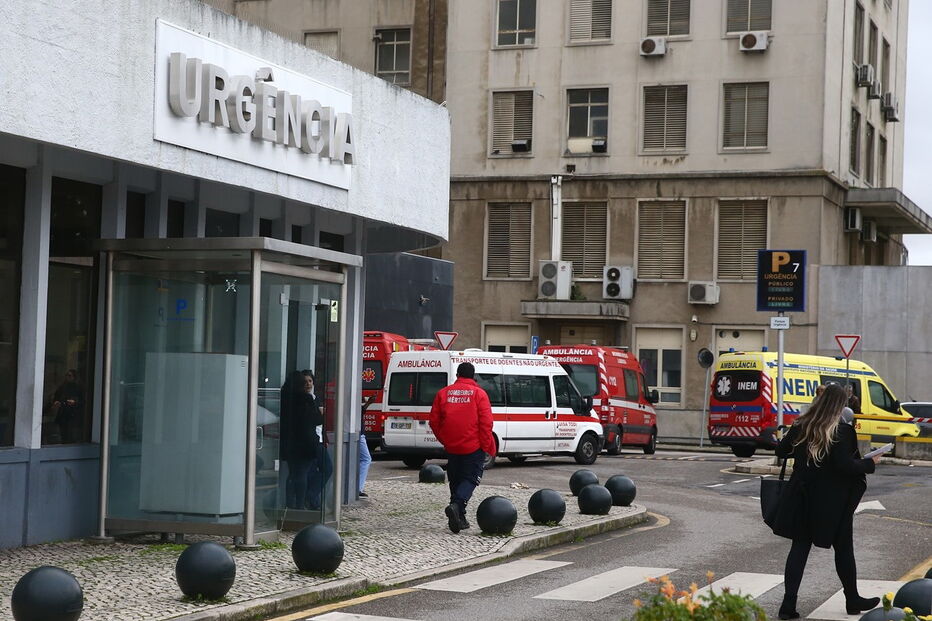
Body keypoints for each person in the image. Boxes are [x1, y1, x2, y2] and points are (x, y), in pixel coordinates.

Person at [772, 383, 881, 620]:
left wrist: (803, 449)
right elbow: (846, 466)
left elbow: (781, 450)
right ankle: (852, 599)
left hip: (802, 498)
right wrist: (871, 463)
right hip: (833, 503)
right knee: (843, 548)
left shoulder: (802, 425)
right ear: (839, 405)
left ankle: (788, 605)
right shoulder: (841, 431)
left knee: (799, 548)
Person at [428, 362, 496, 533]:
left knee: (456, 479)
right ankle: (457, 506)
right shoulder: (479, 394)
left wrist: (445, 439)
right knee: (471, 478)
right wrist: (486, 445)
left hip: (452, 447)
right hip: (473, 446)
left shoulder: (443, 393)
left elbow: (434, 422)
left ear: (457, 375)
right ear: (473, 376)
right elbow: (486, 423)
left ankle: (460, 518)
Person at [280, 370, 323, 510]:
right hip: (306, 443)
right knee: (302, 474)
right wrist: (320, 414)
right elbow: (315, 420)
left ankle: (289, 503)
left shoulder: (285, 398)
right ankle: (299, 505)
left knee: (292, 474)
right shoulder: (306, 399)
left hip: (290, 442)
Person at [303, 370, 333, 511]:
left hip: (319, 439)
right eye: (305, 382)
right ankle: (311, 499)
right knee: (320, 469)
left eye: (310, 381)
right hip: (311, 441)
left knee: (323, 469)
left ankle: (312, 498)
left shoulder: (316, 398)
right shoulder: (304, 400)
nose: (308, 384)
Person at [52, 369, 84, 444]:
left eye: (69, 376)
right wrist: (56, 402)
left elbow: (83, 401)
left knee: (72, 434)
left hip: (73, 415)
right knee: (63, 433)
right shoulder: (62, 387)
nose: (67, 377)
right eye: (66, 375)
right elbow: (56, 397)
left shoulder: (78, 388)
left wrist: (75, 402)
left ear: (74, 377)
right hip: (63, 413)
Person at [358, 395, 377, 498]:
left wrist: (368, 403)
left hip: (358, 432)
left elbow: (361, 411)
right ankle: (358, 488)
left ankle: (357, 487)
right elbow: (360, 411)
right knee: (366, 459)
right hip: (358, 432)